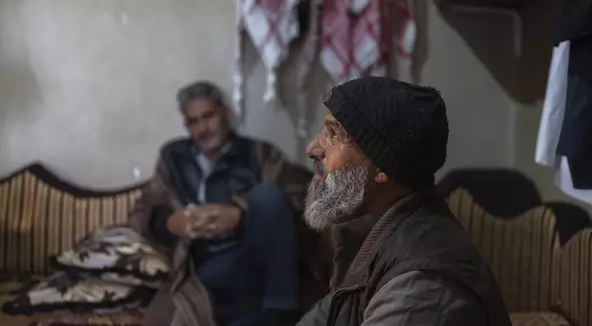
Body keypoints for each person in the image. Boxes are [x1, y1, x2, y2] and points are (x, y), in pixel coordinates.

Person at [297, 77, 512, 326]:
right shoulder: (371, 234)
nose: (312, 148)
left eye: (334, 134)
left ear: (381, 168)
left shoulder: (422, 284)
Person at [128, 81, 326, 326]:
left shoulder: (257, 154)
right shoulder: (174, 158)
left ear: (225, 113)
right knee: (160, 317)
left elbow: (305, 193)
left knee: (267, 197)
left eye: (208, 116)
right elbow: (142, 210)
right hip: (199, 265)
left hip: (253, 259)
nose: (203, 129)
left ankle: (280, 314)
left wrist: (240, 212)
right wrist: (170, 222)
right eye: (193, 122)